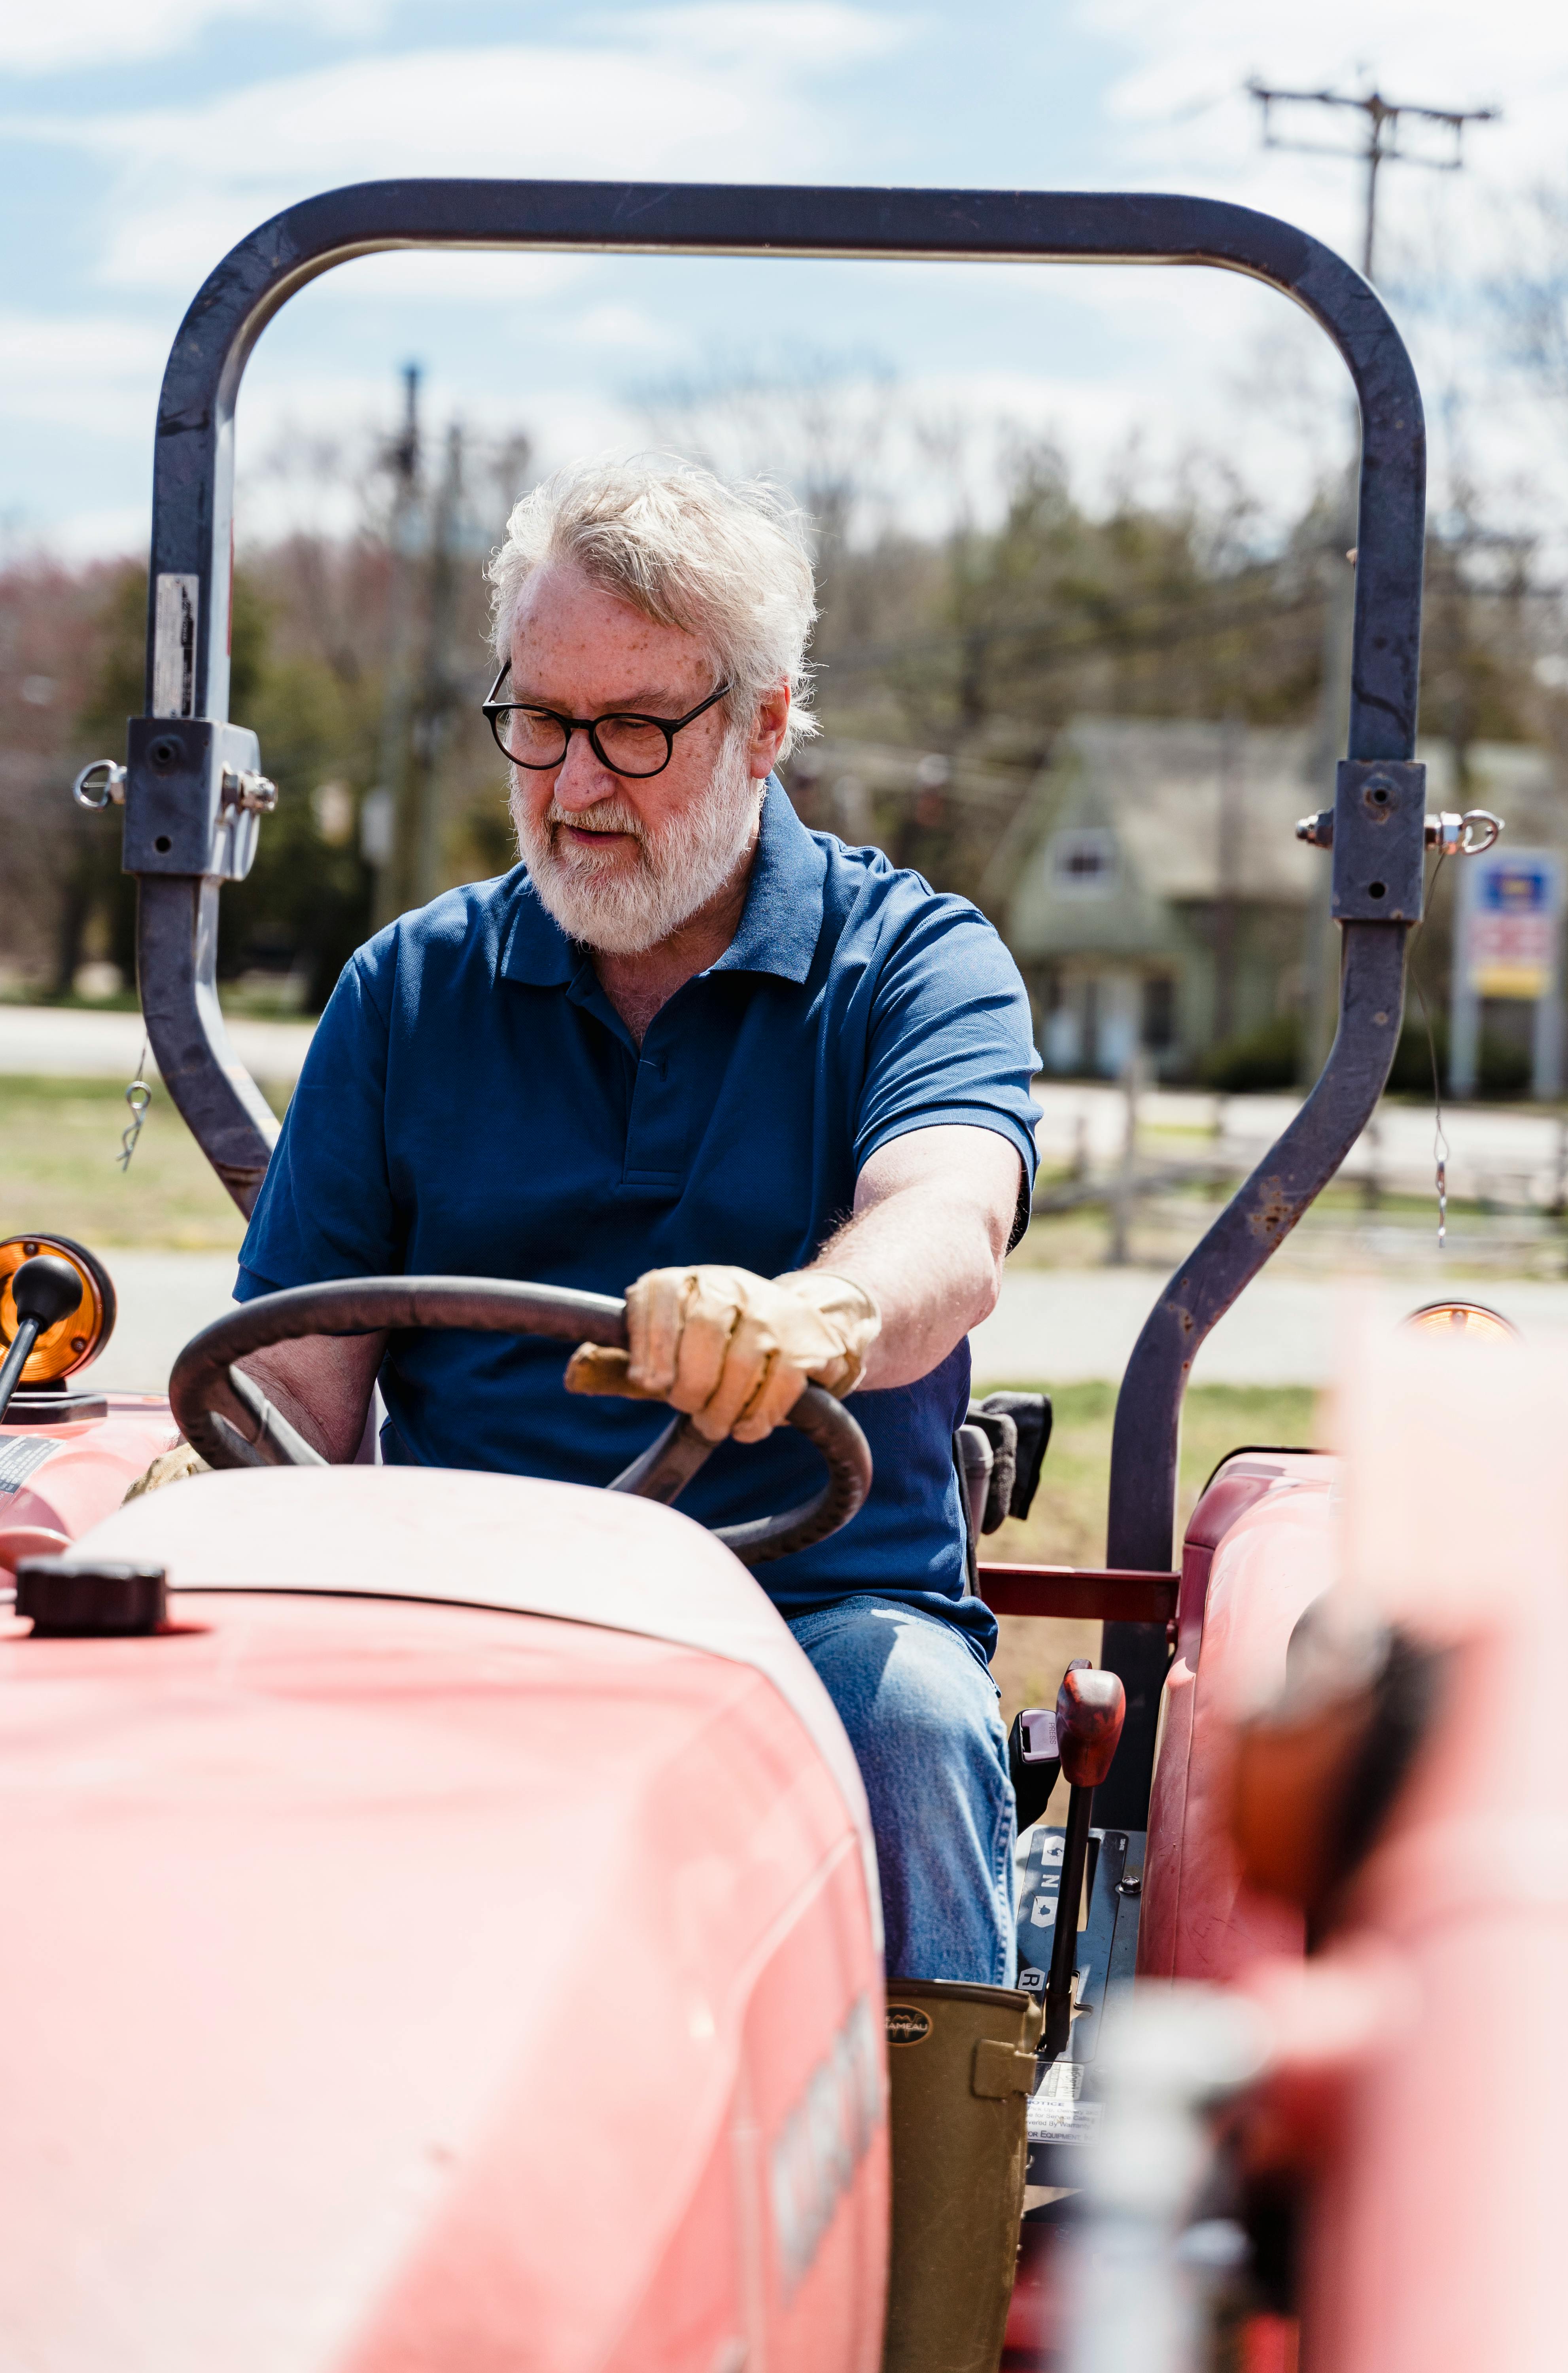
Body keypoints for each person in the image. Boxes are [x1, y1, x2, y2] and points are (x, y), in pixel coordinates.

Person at [221, 458, 1041, 1991]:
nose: (573, 784)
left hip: (811, 1602)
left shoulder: (912, 960)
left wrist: (817, 1315)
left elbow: (947, 1215)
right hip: (468, 1603)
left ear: (766, 723)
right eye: (538, 720)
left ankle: (932, 2207)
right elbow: (300, 1394)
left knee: (916, 1725)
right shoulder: (408, 991)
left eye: (635, 731)